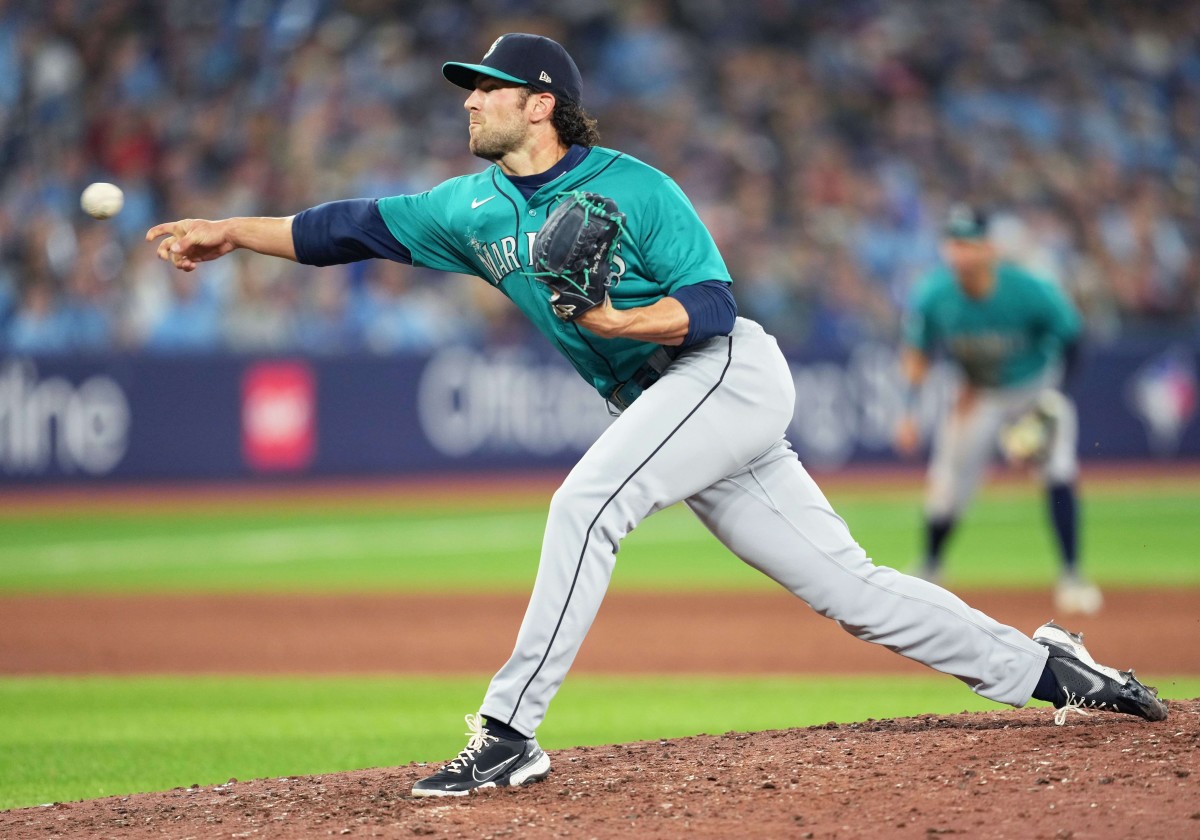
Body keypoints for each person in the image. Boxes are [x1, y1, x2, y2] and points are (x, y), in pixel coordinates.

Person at [147, 34, 1165, 798]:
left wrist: (615, 317)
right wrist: (228, 232)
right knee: (856, 592)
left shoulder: (632, 185)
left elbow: (712, 304)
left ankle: (508, 730)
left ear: (542, 103)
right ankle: (1055, 669)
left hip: (721, 374)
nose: (472, 101)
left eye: (488, 88)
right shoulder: (466, 209)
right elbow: (346, 230)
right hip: (679, 410)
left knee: (586, 503)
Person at [894, 205, 1101, 615]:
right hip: (980, 395)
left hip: (1034, 388)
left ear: (989, 249)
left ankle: (1072, 574)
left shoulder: (1028, 288)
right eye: (954, 244)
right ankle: (931, 566)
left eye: (970, 244)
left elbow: (1073, 337)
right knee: (947, 481)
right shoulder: (935, 294)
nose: (962, 253)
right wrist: (909, 411)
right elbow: (918, 353)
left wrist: (1052, 400)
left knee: (1058, 470)